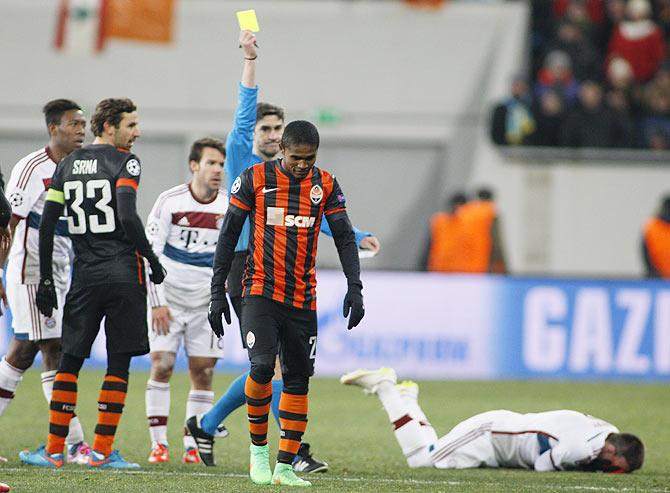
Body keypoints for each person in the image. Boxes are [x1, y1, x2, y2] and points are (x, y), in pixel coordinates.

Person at [186, 29, 380, 474]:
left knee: (280, 369)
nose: (273, 136)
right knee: (265, 365)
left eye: (279, 129)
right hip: (245, 266)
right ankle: (279, 452)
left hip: (292, 277)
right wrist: (250, 59)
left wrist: (359, 241)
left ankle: (220, 427)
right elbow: (243, 111)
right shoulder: (242, 159)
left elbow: (323, 222)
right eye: (266, 129)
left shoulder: (313, 180)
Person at [207, 120, 364, 487]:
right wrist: (217, 291)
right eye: (296, 158)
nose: (302, 165)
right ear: (283, 150)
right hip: (259, 291)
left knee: (297, 380)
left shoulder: (324, 184)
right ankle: (258, 455)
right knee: (262, 368)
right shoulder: (254, 178)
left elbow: (343, 237)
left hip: (302, 298)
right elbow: (228, 235)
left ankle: (285, 467)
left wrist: (354, 287)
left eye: (309, 159)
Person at [19, 97, 166, 469]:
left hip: (84, 276)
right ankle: (101, 451)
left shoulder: (66, 165)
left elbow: (49, 224)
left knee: (69, 360)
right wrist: (150, 258)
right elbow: (129, 216)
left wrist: (48, 280)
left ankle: (54, 451)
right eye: (131, 125)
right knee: (118, 363)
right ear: (109, 127)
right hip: (122, 273)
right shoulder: (125, 162)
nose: (137, 132)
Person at [0, 99, 92, 464]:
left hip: (60, 271)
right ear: (54, 128)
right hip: (33, 271)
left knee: (21, 354)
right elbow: (8, 223)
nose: (81, 130)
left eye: (84, 124)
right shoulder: (32, 167)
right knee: (54, 348)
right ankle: (73, 442)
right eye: (74, 124)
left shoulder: (77, 167)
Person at [340, 368, 644, 474]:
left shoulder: (610, 432)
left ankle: (406, 398)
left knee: (431, 450)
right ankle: (386, 389)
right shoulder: (580, 449)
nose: (610, 473)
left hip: (502, 435)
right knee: (422, 460)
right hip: (492, 435)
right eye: (615, 469)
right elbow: (543, 466)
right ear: (611, 453)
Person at [144, 137, 230, 464]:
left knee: (203, 371)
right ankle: (159, 445)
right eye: (211, 163)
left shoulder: (228, 205)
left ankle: (192, 444)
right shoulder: (169, 201)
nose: (217, 170)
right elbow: (150, 254)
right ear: (194, 165)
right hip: (169, 299)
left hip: (206, 303)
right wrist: (156, 302)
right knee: (162, 364)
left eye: (221, 164)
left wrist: (221, 298)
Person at [642, 195, 670, 277]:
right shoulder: (652, 227)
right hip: (658, 279)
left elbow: (646, 255)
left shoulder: (651, 226)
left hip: (657, 279)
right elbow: (646, 254)